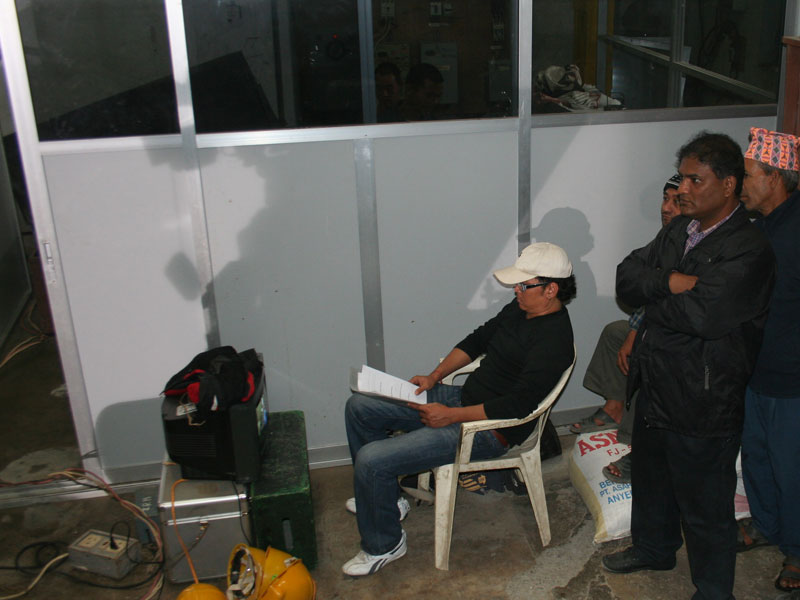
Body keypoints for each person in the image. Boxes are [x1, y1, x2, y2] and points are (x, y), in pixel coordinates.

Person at [602, 131, 775, 600]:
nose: (682, 189)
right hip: (657, 380)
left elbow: (705, 316)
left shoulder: (749, 248)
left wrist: (656, 294)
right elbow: (627, 277)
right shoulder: (681, 229)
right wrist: (673, 281)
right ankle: (654, 549)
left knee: (704, 503)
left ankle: (714, 590)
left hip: (704, 394)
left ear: (728, 184)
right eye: (681, 178)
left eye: (695, 180)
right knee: (652, 478)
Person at [342, 242, 576, 576]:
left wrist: (450, 416)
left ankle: (384, 545)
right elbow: (477, 340)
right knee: (360, 407)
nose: (516, 290)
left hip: (490, 430)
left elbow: (517, 405)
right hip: (463, 399)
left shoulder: (555, 340)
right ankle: (388, 501)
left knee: (372, 460)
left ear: (550, 289)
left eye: (523, 285)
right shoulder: (520, 309)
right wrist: (434, 377)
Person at [571, 174, 682, 485]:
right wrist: (633, 331)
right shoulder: (664, 240)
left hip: (680, 342)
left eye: (677, 201)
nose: (667, 208)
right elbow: (647, 290)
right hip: (656, 326)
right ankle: (614, 407)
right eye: (665, 199)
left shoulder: (695, 243)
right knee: (615, 332)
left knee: (648, 352)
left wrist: (638, 335)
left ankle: (639, 445)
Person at [738, 128, 800, 592]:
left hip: (791, 375)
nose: (741, 185)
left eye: (748, 175)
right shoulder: (760, 227)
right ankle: (766, 524)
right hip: (754, 367)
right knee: (756, 455)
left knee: (790, 466)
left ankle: (797, 549)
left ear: (774, 177)